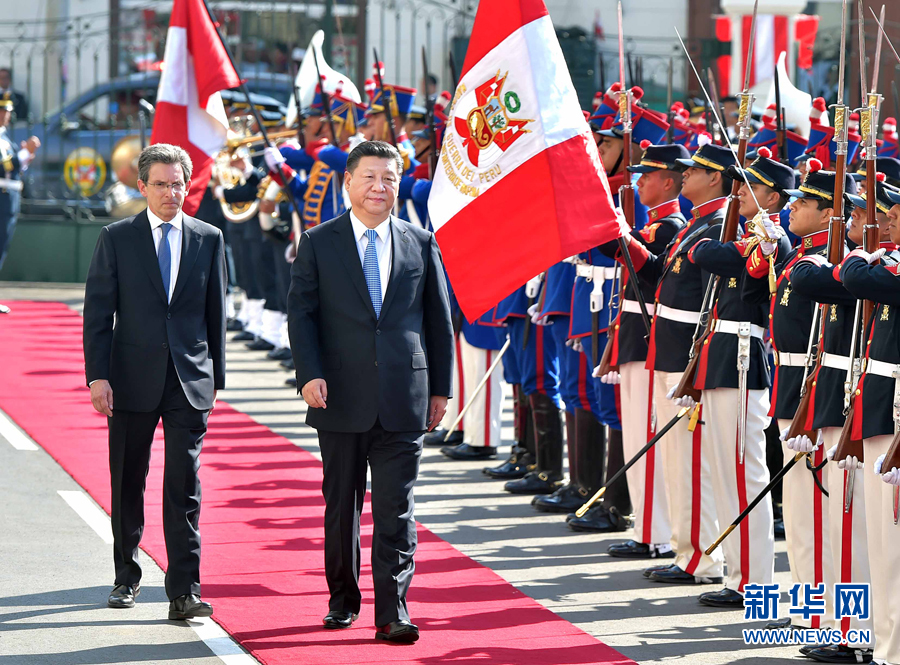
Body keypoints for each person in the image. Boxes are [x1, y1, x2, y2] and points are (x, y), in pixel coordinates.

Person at [287, 140, 453, 642]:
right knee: (342, 505)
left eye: (388, 178)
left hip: (405, 396)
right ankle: (343, 599)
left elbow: (438, 322)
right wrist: (308, 374)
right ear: (349, 184)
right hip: (338, 395)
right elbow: (303, 314)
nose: (379, 187)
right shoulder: (320, 241)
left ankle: (392, 609)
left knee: (395, 509)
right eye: (369, 177)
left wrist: (440, 389)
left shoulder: (421, 242)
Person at [82, 143, 226, 620]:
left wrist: (214, 382)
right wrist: (97, 376)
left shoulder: (209, 237)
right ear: (142, 186)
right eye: (161, 184)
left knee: (184, 484)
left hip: (189, 381)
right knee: (129, 478)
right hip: (129, 378)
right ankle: (126, 574)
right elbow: (99, 314)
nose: (171, 192)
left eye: (178, 183)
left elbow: (215, 316)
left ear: (188, 184)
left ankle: (184, 589)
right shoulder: (117, 237)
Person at [0, 91, 39, 313]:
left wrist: (24, 156)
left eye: (7, 111)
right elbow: (4, 165)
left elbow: (13, 167)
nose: (6, 115)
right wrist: (25, 152)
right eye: (3, 110)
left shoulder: (4, 136)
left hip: (8, 197)